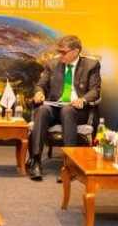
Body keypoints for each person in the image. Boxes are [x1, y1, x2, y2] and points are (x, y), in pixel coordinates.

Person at [28, 35, 101, 181]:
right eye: (59, 51)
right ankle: (35, 161)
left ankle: (69, 164)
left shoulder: (91, 65)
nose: (60, 55)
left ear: (76, 51)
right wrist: (39, 93)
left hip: (76, 110)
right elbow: (40, 85)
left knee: (67, 111)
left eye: (63, 52)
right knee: (42, 110)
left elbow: (95, 90)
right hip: (54, 107)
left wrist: (83, 99)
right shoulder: (52, 64)